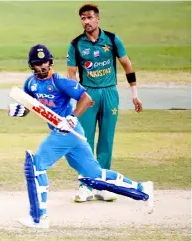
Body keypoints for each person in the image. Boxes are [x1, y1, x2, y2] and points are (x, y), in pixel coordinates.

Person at [8, 44, 153, 229]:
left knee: (37, 165)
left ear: (50, 61)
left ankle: (39, 218)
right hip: (66, 134)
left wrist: (71, 117)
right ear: (32, 65)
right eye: (37, 63)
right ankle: (143, 189)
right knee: (94, 175)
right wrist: (19, 110)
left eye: (45, 62)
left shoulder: (60, 81)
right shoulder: (30, 83)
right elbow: (32, 105)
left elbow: (87, 99)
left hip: (68, 132)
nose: (42, 66)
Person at [66, 4, 143, 203]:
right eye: (83, 18)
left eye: (90, 17)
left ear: (97, 19)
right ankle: (85, 185)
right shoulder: (76, 44)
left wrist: (134, 93)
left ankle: (102, 186)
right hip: (88, 95)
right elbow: (71, 75)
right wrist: (80, 94)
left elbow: (127, 64)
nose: (87, 21)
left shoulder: (111, 39)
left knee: (106, 140)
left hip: (110, 92)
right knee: (85, 141)